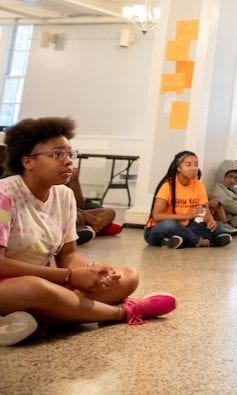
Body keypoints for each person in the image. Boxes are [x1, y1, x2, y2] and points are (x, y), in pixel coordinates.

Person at [0, 117, 176, 343]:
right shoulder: (5, 194)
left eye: (70, 154)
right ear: (27, 161)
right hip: (14, 285)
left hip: (49, 283)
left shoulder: (64, 195)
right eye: (57, 154)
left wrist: (91, 271)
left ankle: (39, 318)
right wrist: (69, 276)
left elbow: (68, 255)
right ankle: (124, 312)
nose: (68, 161)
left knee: (128, 276)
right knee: (34, 289)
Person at [143, 151, 232, 248]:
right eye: (188, 165)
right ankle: (201, 242)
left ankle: (173, 241)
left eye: (196, 164)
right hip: (158, 229)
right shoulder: (167, 186)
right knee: (170, 225)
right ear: (178, 168)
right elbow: (157, 216)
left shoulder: (199, 185)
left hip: (187, 227)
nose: (194, 168)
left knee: (218, 226)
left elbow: (204, 212)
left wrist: (210, 221)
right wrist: (186, 215)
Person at [67, 164, 122, 246]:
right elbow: (56, 207)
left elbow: (80, 204)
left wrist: (74, 181)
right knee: (76, 216)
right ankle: (98, 230)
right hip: (62, 214)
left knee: (110, 212)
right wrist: (84, 215)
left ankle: (84, 230)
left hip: (75, 209)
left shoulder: (66, 173)